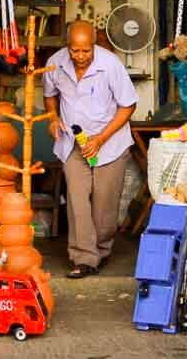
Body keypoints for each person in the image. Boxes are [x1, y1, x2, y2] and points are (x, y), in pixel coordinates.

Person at [43, 20, 137, 279]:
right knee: (77, 199)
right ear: (67, 46)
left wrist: (101, 138)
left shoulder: (110, 65)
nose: (81, 56)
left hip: (109, 144)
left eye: (87, 51)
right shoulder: (56, 64)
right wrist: (52, 117)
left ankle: (101, 249)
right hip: (73, 143)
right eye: (75, 50)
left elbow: (128, 106)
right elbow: (49, 94)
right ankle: (84, 258)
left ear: (94, 46)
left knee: (103, 208)